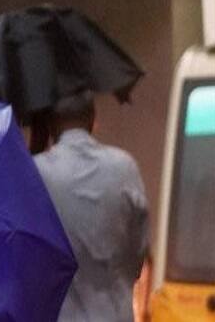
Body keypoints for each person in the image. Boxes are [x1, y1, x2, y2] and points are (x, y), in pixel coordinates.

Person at [34, 91, 149, 322]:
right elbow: (140, 251)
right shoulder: (125, 168)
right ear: (94, 122)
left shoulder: (36, 174)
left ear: (51, 127)